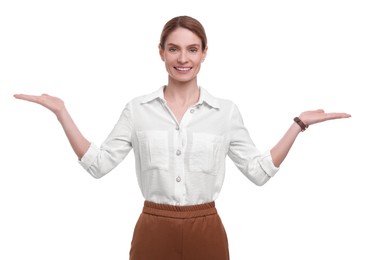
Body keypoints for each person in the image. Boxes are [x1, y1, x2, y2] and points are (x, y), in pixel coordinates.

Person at [14, 15, 351, 260]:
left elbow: (258, 172)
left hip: (206, 229)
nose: (183, 58)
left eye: (192, 49)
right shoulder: (137, 110)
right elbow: (99, 165)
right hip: (152, 229)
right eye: (174, 49)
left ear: (204, 53)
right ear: (161, 52)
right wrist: (61, 112)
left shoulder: (226, 112)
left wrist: (298, 124)